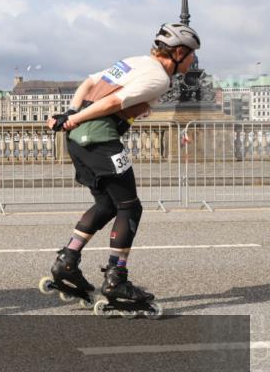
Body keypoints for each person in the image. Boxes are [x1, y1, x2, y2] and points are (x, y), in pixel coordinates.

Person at [46, 23, 200, 309]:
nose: (193, 60)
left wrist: (71, 113)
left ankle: (67, 261)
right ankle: (116, 280)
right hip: (100, 139)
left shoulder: (134, 62)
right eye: (192, 55)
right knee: (130, 206)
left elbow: (89, 82)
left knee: (106, 204)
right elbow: (113, 102)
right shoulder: (159, 78)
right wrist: (77, 118)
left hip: (79, 141)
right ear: (178, 52)